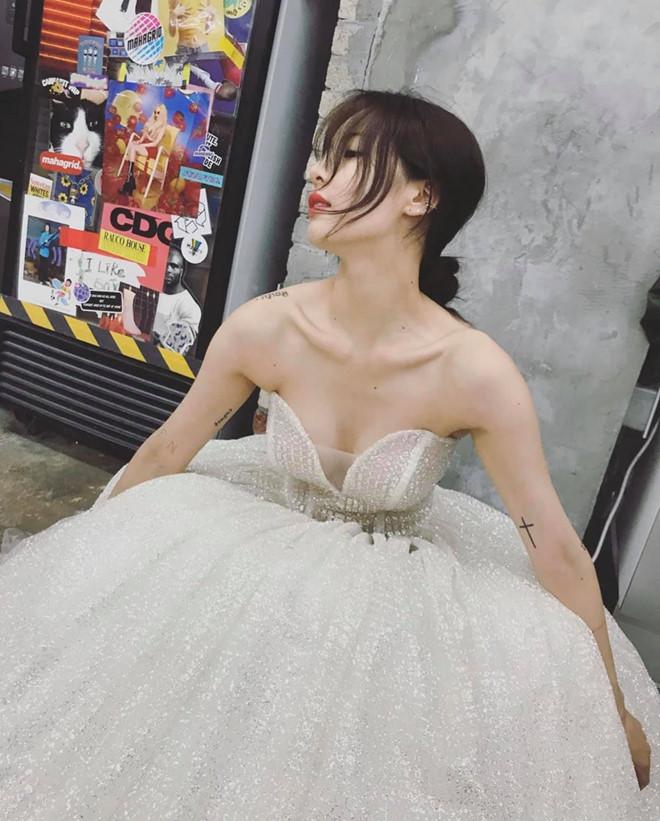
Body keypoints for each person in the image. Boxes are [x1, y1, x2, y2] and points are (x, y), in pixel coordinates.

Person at [0, 88, 658, 819]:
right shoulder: (267, 326)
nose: (317, 173)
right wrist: (83, 581)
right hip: (244, 563)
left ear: (421, 196)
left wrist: (613, 711)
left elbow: (555, 549)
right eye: (321, 153)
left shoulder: (474, 373)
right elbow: (164, 452)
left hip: (394, 605)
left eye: (348, 157)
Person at [151, 242, 202, 354]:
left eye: (174, 266)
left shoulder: (190, 307)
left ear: (181, 271)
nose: (168, 270)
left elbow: (175, 350)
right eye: (165, 264)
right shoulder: (149, 291)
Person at [119, 103, 168, 197]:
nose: (156, 114)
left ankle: (129, 180)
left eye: (158, 113)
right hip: (144, 145)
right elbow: (144, 135)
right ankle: (130, 179)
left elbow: (155, 143)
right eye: (155, 112)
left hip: (152, 149)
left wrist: (142, 144)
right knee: (132, 144)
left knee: (133, 146)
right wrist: (140, 141)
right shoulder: (151, 122)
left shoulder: (162, 128)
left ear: (162, 114)